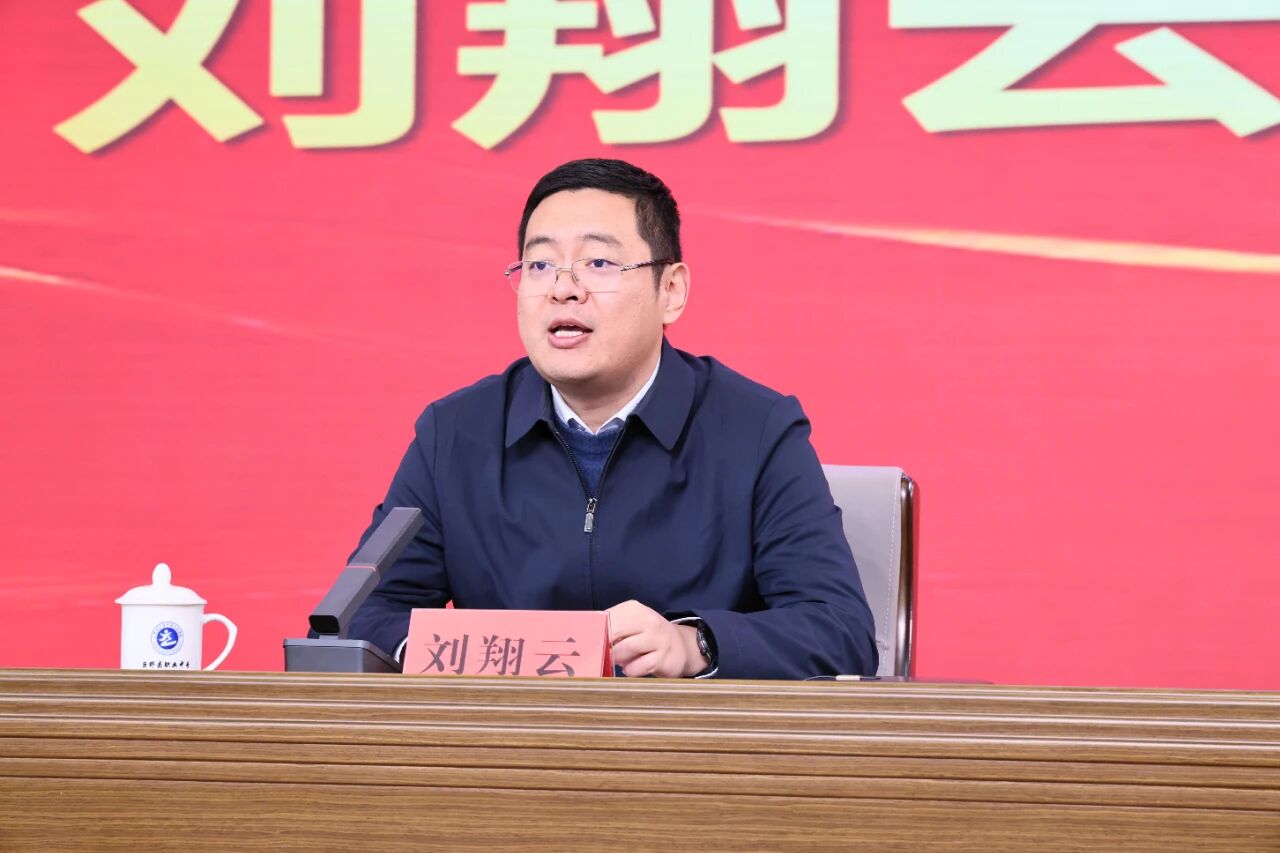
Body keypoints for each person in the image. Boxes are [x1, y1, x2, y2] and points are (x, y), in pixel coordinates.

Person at [348, 158, 877, 679]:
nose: (563, 288)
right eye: (540, 265)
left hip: (685, 733)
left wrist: (694, 644)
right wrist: (464, 653)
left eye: (598, 263)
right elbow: (357, 617)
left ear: (671, 291)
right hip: (511, 731)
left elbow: (839, 631)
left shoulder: (757, 430)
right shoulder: (454, 433)